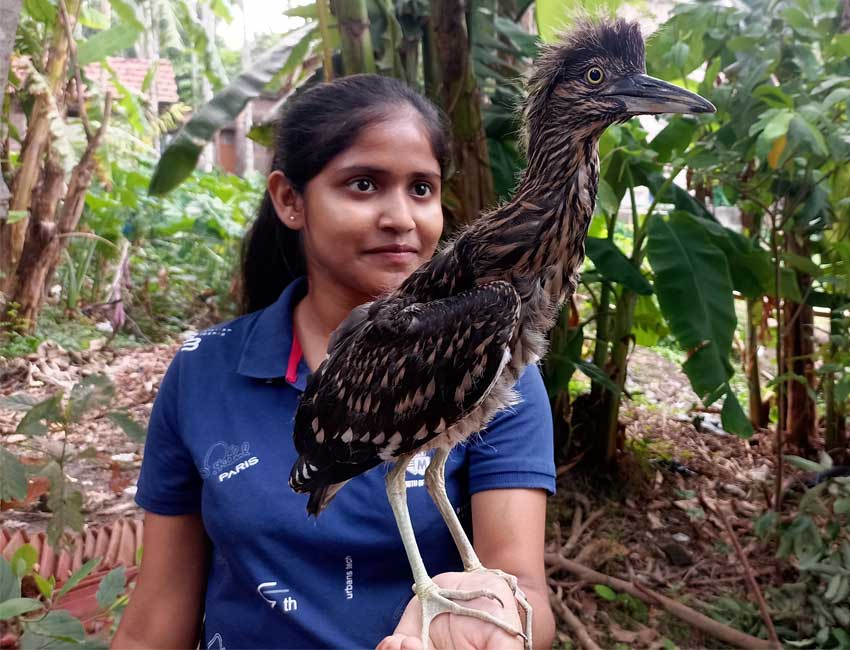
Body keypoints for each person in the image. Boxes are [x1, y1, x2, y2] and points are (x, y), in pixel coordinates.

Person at [111, 74, 556, 650]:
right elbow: (155, 619)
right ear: (290, 200)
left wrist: (499, 619)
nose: (401, 217)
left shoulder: (495, 362)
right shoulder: (203, 370)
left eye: (423, 188)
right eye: (364, 184)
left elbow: (525, 590)